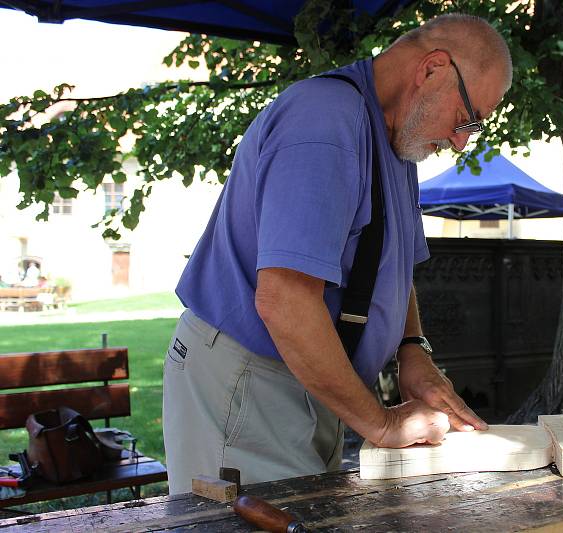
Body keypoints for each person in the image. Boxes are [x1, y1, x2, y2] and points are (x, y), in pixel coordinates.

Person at [162, 14, 513, 494]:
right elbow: (284, 301)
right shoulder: (324, 121)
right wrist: (383, 424)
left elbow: (395, 267)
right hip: (252, 382)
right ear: (432, 69)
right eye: (466, 118)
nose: (461, 140)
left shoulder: (396, 138)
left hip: (310, 377)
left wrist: (413, 350)